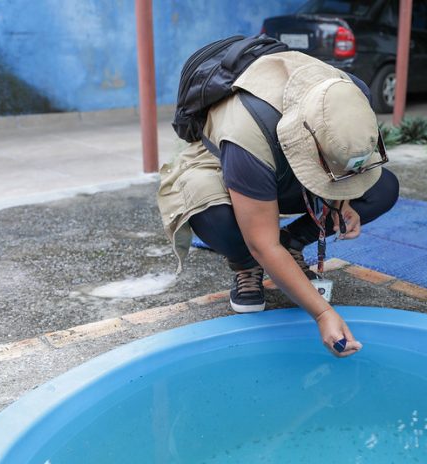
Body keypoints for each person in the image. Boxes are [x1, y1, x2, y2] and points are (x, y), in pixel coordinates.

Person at [157, 50, 399, 358]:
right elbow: (262, 242)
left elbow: (347, 155)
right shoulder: (247, 133)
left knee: (383, 187)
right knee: (220, 219)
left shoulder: (350, 97)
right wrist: (323, 314)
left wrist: (343, 199)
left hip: (287, 158)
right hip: (219, 160)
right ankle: (245, 265)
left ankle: (291, 243)